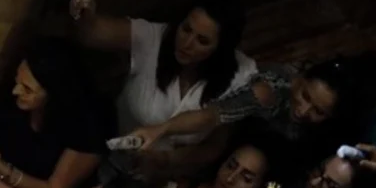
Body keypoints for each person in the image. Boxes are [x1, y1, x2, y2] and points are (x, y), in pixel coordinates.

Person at [72, 0, 255, 180]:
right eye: (186, 29)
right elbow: (91, 33)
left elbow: (215, 145)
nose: (187, 43)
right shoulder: (154, 39)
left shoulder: (239, 76)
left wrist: (165, 160)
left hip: (176, 176)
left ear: (221, 49)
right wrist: (84, 14)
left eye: (202, 41)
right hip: (113, 160)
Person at [0, 38, 107, 188]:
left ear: (55, 94)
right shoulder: (12, 95)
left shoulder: (88, 125)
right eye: (17, 80)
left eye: (27, 89)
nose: (16, 90)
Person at [124, 59, 354, 154]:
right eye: (305, 96)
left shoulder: (324, 133)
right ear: (299, 79)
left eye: (318, 111)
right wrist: (160, 129)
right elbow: (211, 116)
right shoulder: (269, 89)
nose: (304, 111)